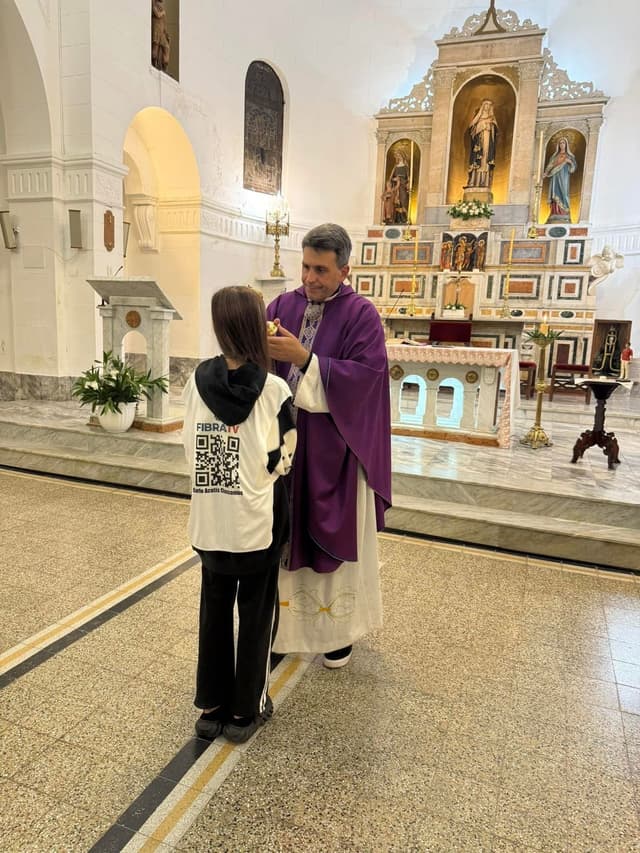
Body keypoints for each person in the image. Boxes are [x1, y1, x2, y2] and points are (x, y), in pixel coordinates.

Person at [266, 224, 392, 668]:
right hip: (282, 450)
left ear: (344, 270)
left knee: (330, 538)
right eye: (305, 266)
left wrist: (304, 359)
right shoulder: (282, 305)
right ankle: (281, 631)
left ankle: (335, 634)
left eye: (320, 270)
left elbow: (367, 379)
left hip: (333, 452)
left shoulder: (361, 315)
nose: (309, 278)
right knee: (279, 536)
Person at [182, 286, 296, 742]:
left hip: (211, 517)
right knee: (256, 614)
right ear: (256, 326)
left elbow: (189, 447)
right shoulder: (274, 389)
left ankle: (211, 708)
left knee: (213, 610)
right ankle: (245, 711)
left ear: (218, 326)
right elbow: (283, 460)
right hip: (256, 521)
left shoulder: (195, 380)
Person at [543, 136, 577, 222]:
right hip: (555, 176)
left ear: (566, 144)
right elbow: (550, 165)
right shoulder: (555, 156)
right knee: (555, 193)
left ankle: (564, 212)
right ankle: (554, 212)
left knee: (564, 193)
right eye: (560, 143)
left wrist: (570, 162)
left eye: (563, 143)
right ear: (558, 145)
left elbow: (573, 169)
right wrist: (546, 172)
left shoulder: (569, 156)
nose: (562, 145)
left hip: (564, 177)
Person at [466, 99, 498, 189]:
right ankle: (474, 181)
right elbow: (472, 128)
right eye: (486, 104)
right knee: (477, 160)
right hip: (479, 142)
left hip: (488, 142)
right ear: (483, 106)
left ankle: (485, 181)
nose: (487, 106)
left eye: (489, 105)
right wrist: (483, 124)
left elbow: (495, 131)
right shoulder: (479, 117)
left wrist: (491, 126)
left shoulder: (492, 118)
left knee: (486, 160)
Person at [389, 150, 410, 224]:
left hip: (403, 186)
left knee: (403, 201)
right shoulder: (395, 167)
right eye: (397, 156)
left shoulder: (406, 167)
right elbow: (390, 178)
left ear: (402, 156)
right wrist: (395, 179)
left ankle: (405, 218)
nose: (399, 157)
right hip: (397, 187)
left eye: (400, 155)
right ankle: (397, 219)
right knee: (397, 203)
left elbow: (408, 178)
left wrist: (408, 183)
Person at [152, 0, 171, 72]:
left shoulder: (161, 7)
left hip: (162, 32)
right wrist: (163, 12)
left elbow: (163, 22)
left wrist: (166, 33)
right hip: (156, 30)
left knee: (166, 47)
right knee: (155, 47)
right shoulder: (154, 5)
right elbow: (157, 14)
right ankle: (154, 63)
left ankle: (164, 66)